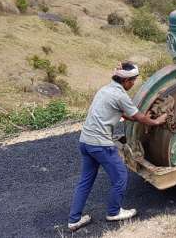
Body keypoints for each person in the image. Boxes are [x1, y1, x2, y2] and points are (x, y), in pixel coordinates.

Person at [67, 62, 167, 232]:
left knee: (85, 181)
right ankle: (114, 212)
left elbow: (120, 113)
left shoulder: (104, 90)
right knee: (120, 176)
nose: (133, 83)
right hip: (100, 145)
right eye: (133, 80)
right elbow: (139, 117)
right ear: (125, 81)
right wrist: (156, 121)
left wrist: (139, 117)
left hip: (85, 141)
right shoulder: (120, 96)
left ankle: (73, 220)